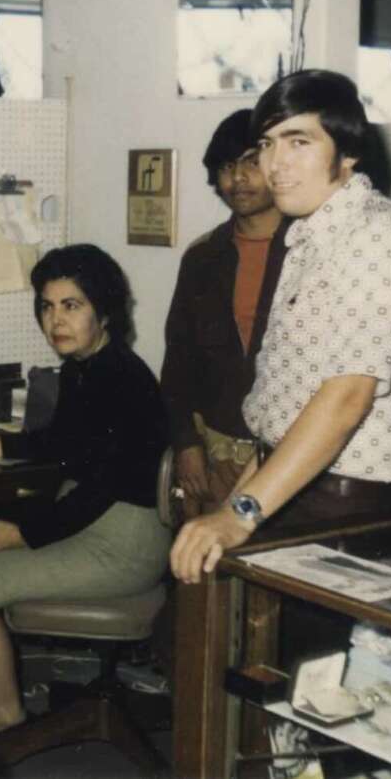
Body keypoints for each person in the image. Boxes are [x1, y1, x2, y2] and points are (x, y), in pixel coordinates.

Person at [170, 69, 391, 583]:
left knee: (316, 661)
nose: (275, 164)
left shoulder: (375, 239)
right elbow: (288, 410)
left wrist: (238, 513)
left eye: (299, 142)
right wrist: (238, 505)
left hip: (340, 504)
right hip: (291, 486)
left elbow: (343, 401)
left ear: (348, 152)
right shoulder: (311, 235)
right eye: (268, 143)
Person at [0, 244, 170, 740]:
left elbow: (101, 487)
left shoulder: (122, 380)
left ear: (103, 311)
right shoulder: (86, 368)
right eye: (46, 305)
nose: (55, 320)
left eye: (71, 305)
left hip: (123, 543)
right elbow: (58, 445)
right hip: (91, 527)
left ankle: (7, 721)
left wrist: (26, 534)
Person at [160, 109, 287, 518]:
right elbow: (178, 361)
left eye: (252, 162)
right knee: (207, 575)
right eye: (227, 167)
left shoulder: (310, 251)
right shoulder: (202, 257)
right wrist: (186, 445)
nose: (239, 178)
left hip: (286, 461)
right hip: (216, 458)